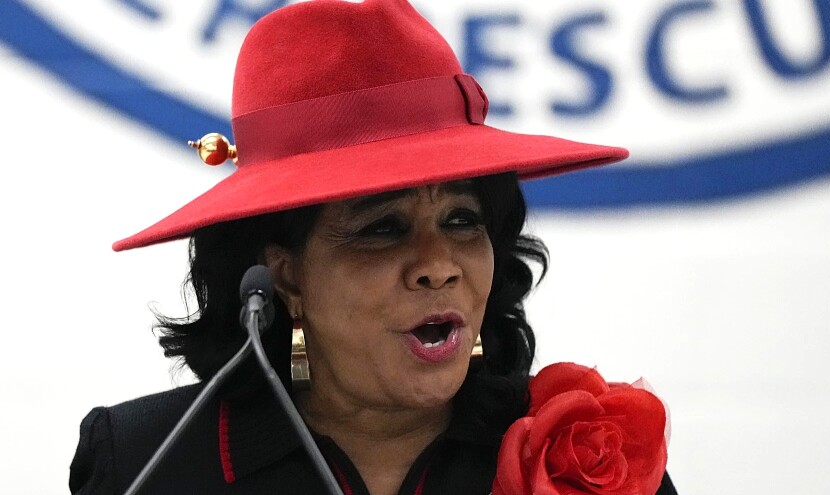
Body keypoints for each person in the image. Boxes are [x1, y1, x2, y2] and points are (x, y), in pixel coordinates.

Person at [70, 0, 676, 494]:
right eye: (383, 228)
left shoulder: (594, 458)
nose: (438, 266)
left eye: (463, 220)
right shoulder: (148, 462)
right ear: (285, 276)